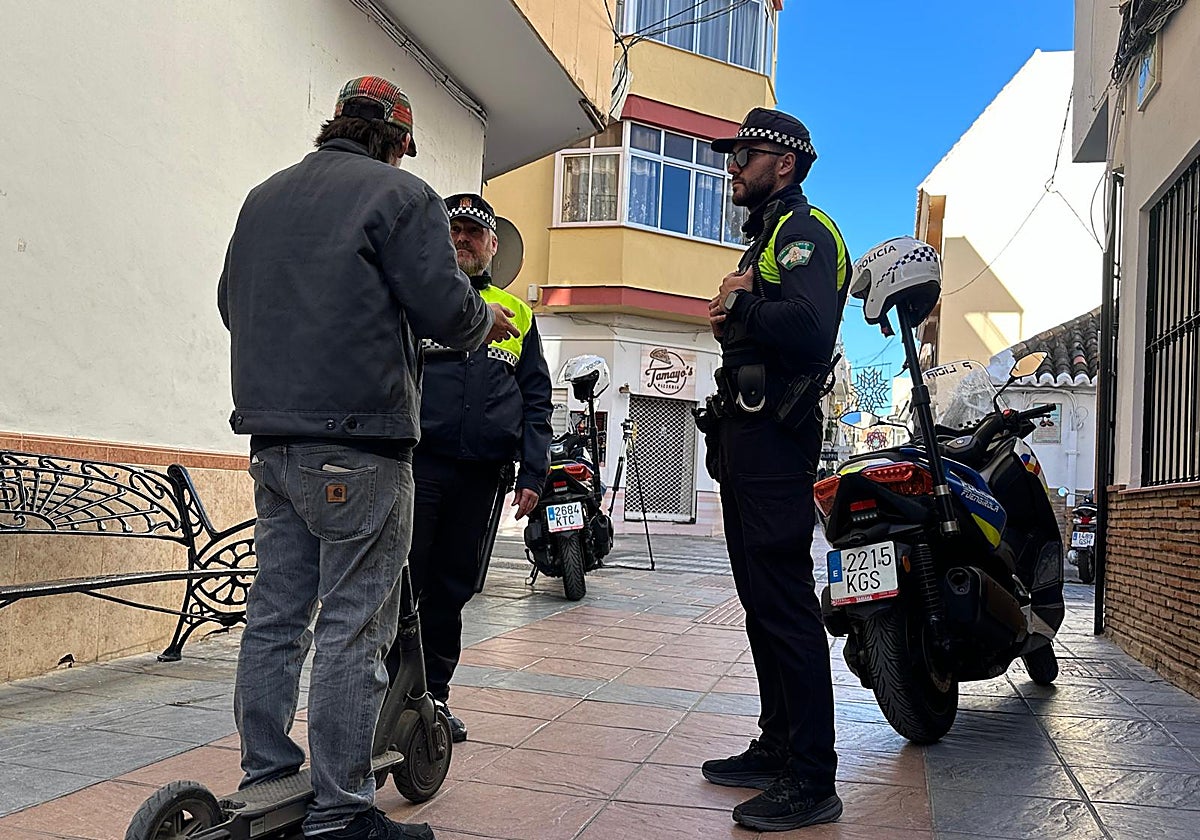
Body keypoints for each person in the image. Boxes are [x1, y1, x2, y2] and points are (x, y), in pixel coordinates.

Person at [218, 76, 518, 840]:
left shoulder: (263, 197)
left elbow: (232, 303)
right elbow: (446, 309)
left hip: (273, 443)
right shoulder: (401, 196)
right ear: (396, 140)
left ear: (336, 124)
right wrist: (485, 317)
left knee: (276, 616)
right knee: (355, 625)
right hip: (360, 446)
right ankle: (342, 810)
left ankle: (266, 774)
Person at [702, 108, 851, 832]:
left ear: (784, 163)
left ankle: (812, 777)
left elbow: (812, 328)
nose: (734, 166)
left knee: (784, 602)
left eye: (746, 155)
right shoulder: (768, 236)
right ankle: (778, 744)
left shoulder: (804, 232)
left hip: (775, 436)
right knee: (761, 601)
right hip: (746, 436)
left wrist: (742, 303)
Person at [407, 194, 553, 742]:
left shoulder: (517, 313)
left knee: (453, 588)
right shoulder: (418, 303)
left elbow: (535, 397)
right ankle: (392, 696)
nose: (463, 240)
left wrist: (533, 474)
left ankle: (432, 704)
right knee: (406, 586)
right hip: (418, 468)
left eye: (474, 233)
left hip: (482, 477)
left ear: (493, 245)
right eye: (455, 232)